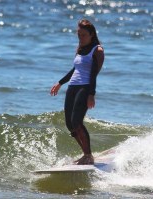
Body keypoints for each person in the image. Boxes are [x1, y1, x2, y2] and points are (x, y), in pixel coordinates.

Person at [50, 19, 104, 165]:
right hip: (73, 86)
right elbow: (75, 69)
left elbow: (94, 73)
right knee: (69, 123)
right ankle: (85, 153)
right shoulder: (80, 47)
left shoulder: (97, 50)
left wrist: (91, 94)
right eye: (78, 34)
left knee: (77, 121)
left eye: (83, 35)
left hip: (85, 87)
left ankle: (88, 155)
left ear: (92, 35)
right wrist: (60, 83)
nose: (80, 38)